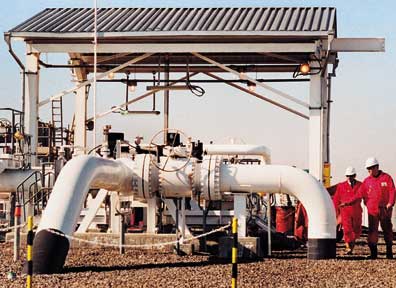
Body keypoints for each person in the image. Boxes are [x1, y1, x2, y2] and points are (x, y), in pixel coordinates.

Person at [343, 157, 395, 259]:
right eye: (368, 169)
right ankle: (373, 254)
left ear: (377, 167)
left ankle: (389, 252)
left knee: (387, 229)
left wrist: (390, 203)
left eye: (370, 169)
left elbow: (392, 191)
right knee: (372, 231)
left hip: (385, 210)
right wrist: (348, 203)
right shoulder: (367, 181)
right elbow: (359, 194)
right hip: (373, 211)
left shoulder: (387, 178)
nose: (369, 171)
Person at [333, 167, 362, 255]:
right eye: (348, 176)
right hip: (345, 211)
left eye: (351, 176)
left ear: (355, 176)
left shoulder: (360, 185)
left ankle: (351, 247)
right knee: (347, 230)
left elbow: (365, 196)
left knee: (356, 229)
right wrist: (336, 212)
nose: (349, 177)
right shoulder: (341, 186)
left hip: (356, 211)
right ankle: (348, 248)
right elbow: (336, 199)